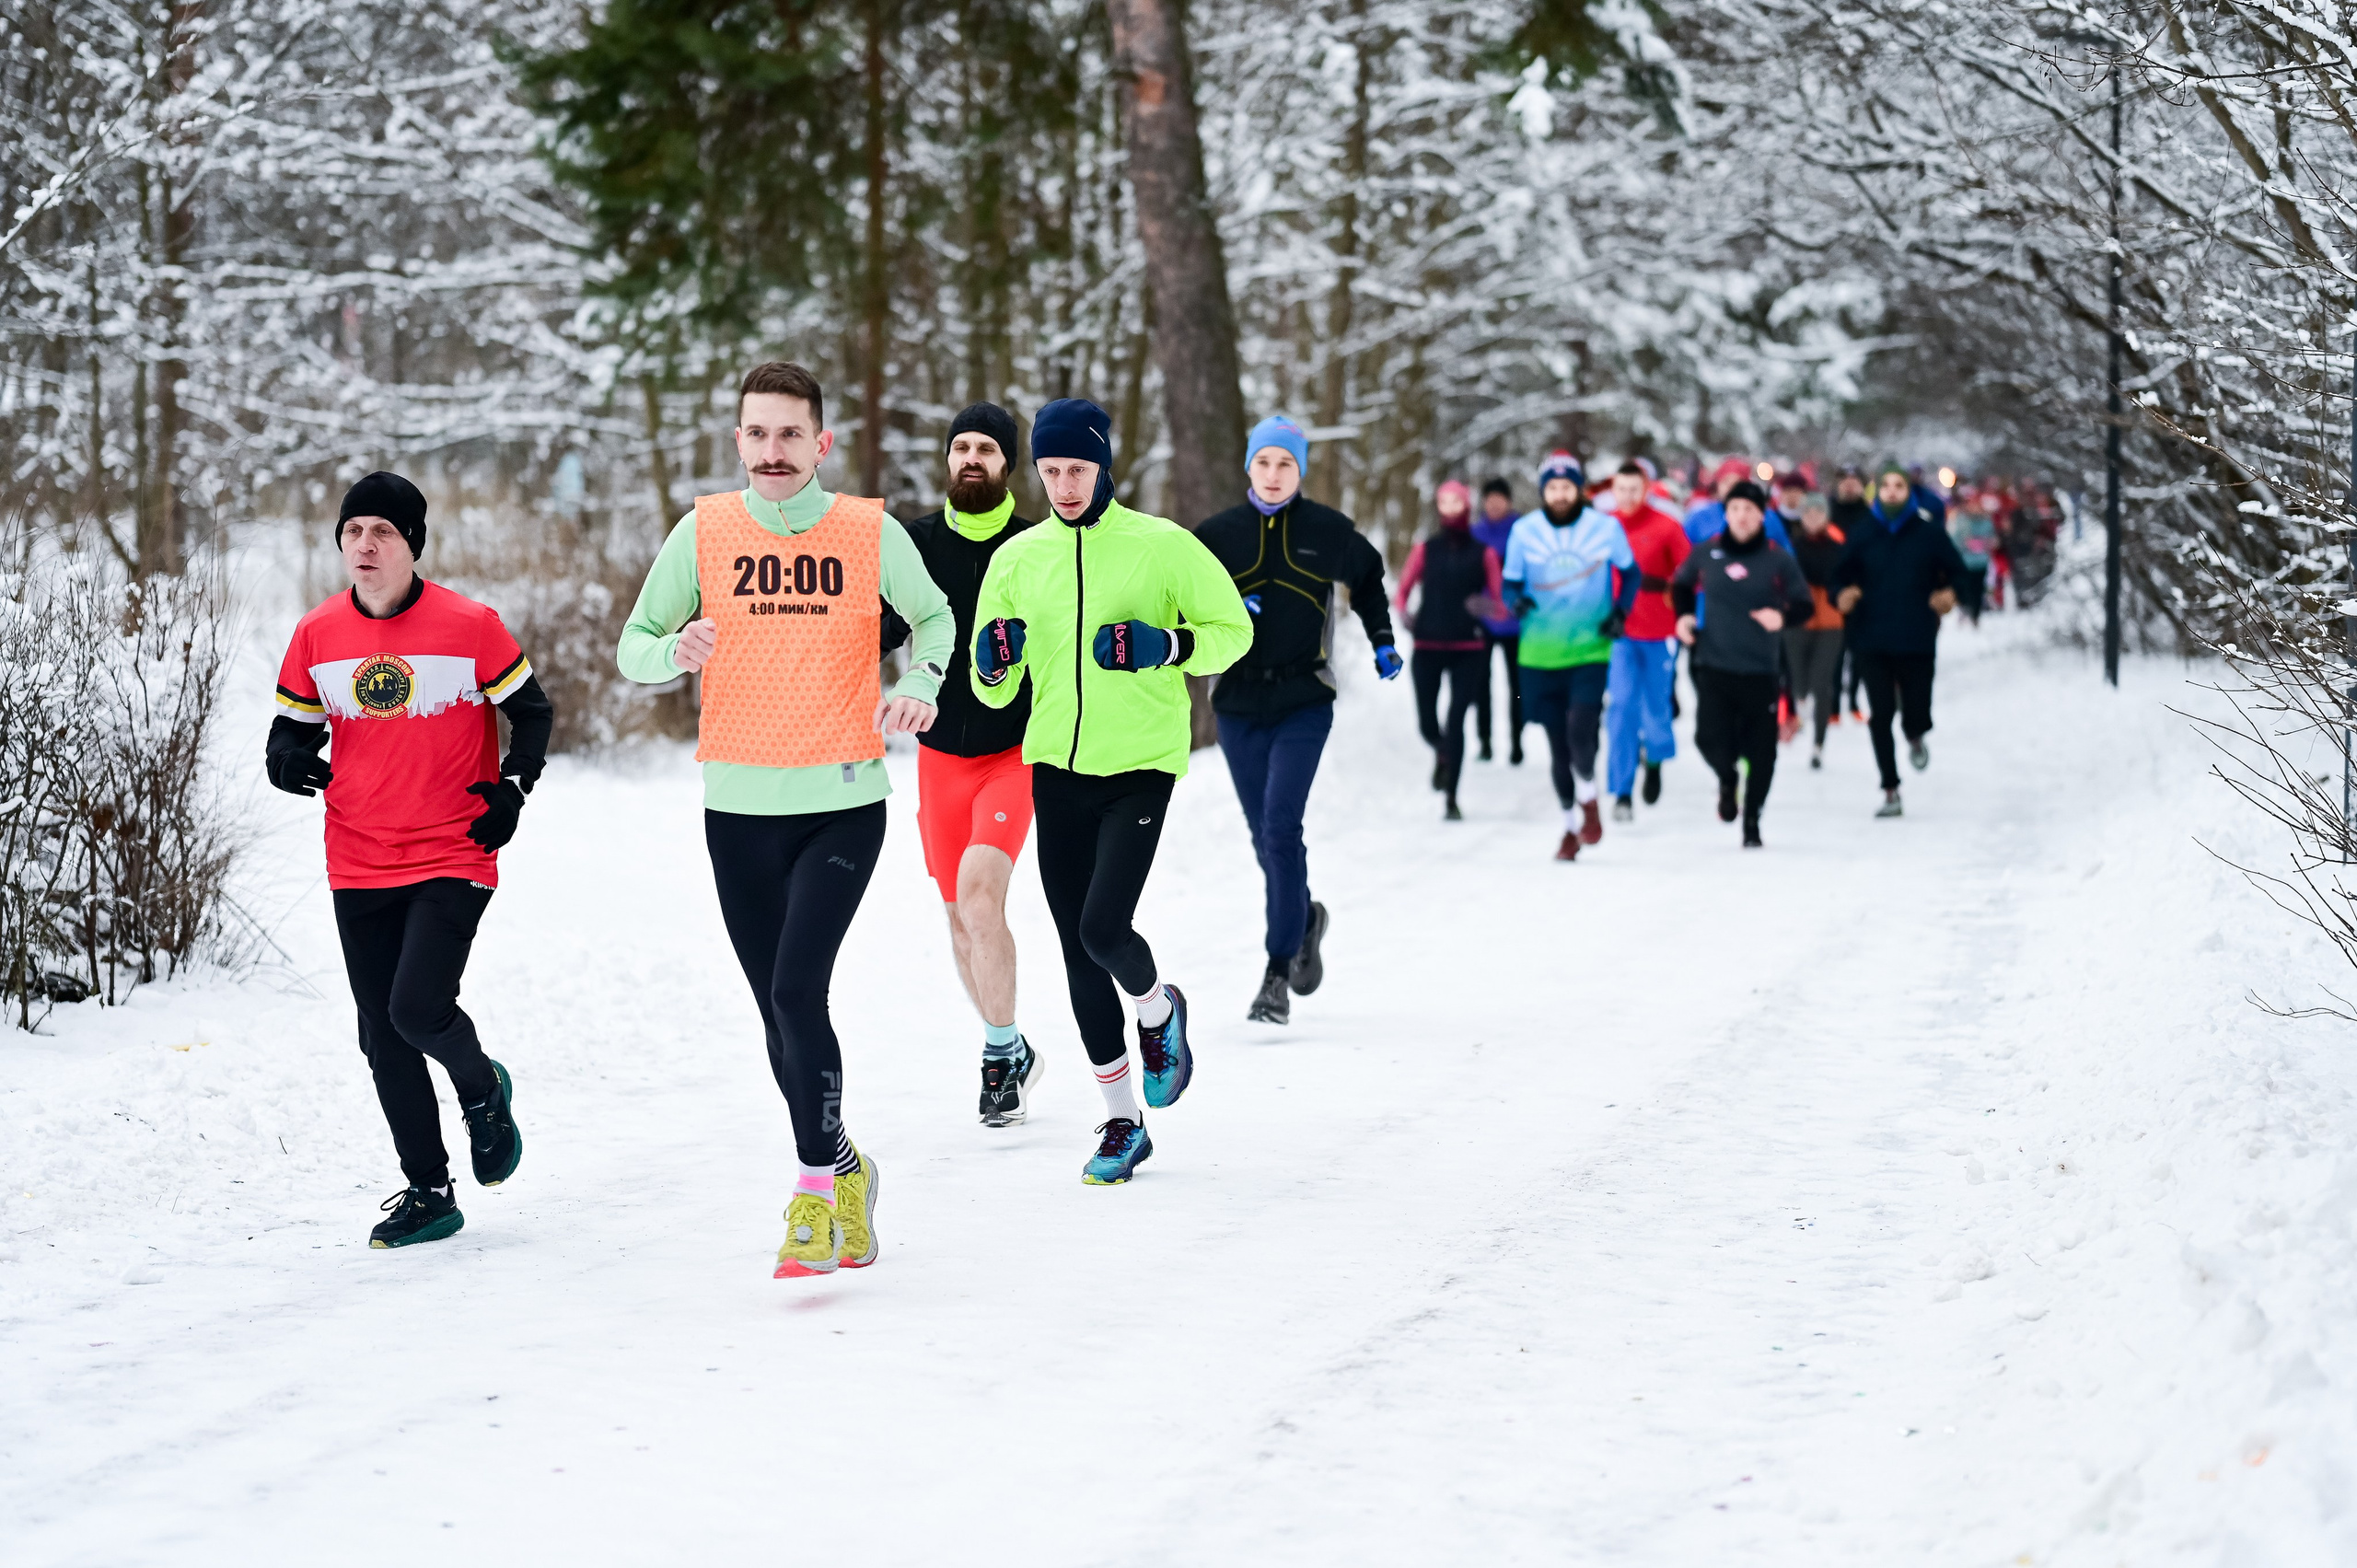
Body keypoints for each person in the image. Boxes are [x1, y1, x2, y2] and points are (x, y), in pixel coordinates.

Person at [617, 361, 955, 1279]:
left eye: (790, 434)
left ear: (821, 443)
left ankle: (811, 1198)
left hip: (841, 803)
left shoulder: (868, 530)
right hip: (737, 807)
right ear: (739, 441)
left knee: (799, 992)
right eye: (758, 433)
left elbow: (934, 619)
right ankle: (846, 1166)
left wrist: (922, 683)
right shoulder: (704, 531)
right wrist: (674, 648)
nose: (773, 451)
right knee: (777, 1008)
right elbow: (633, 647)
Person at [268, 472, 553, 1249]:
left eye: (383, 531)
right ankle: (429, 1191)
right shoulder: (317, 633)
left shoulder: (470, 625)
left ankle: (481, 1088)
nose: (365, 544)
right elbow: (289, 731)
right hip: (357, 854)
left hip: (455, 846)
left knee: (416, 1008)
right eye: (353, 530)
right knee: (383, 1034)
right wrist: (287, 761)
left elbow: (531, 711)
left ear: (413, 544)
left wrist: (513, 787)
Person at [970, 398, 1251, 1183]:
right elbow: (992, 689)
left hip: (1140, 766)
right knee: (1077, 950)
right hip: (1056, 768)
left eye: (1078, 469)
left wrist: (1167, 645)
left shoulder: (1162, 545)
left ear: (1105, 467)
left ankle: (1158, 1010)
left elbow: (1233, 631)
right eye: (1051, 470)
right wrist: (993, 662)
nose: (1064, 486)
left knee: (1101, 928)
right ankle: (1123, 1121)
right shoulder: (1017, 559)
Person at [1196, 413, 1399, 1026]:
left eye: (1286, 463)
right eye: (1264, 461)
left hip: (1304, 698)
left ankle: (1277, 972)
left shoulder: (1326, 530)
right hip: (1236, 703)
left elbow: (1368, 579)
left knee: (1282, 828)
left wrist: (1383, 639)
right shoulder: (1216, 536)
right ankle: (1303, 916)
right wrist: (1221, 610)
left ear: (1300, 470)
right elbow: (1177, 596)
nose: (1274, 473)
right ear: (1249, 466)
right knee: (1263, 834)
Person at [883, 402, 1045, 1124]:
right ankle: (1011, 1045)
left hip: (1014, 753)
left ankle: (998, 1057)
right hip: (939, 756)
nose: (971, 458)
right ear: (948, 459)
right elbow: (880, 627)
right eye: (961, 448)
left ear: (1007, 463)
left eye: (986, 448)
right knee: (957, 919)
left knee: (981, 900)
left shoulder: (1036, 545)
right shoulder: (914, 544)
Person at [1503, 450, 1636, 861]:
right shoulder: (1524, 531)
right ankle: (1568, 827)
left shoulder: (1605, 528)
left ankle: (1590, 798)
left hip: (1590, 648)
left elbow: (1631, 573)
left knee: (1581, 730)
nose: (1560, 494)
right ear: (1543, 492)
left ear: (1579, 490)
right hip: (1539, 655)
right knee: (1558, 744)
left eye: (1567, 487)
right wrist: (1515, 603)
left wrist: (1620, 612)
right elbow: (1510, 583)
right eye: (1553, 488)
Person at [1671, 480, 1815, 848]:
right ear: (1726, 514)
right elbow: (1681, 584)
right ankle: (1727, 777)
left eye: (1750, 510)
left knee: (1762, 751)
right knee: (1708, 739)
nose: (1742, 516)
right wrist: (1684, 617)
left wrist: (1782, 616)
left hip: (1761, 668)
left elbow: (1804, 604)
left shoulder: (1777, 558)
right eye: (1735, 509)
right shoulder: (1708, 551)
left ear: (1762, 515)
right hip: (1714, 663)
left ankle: (1752, 820)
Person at [1832, 462, 1968, 819]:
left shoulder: (1928, 532)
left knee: (1916, 709)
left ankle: (1915, 733)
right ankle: (1890, 788)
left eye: (1899, 486)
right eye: (1886, 486)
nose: (1892, 492)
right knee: (1880, 715)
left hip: (1916, 635)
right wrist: (1842, 594)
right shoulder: (1863, 533)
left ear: (1909, 492)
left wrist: (1950, 594)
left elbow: (1959, 572)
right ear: (1876, 491)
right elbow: (1838, 576)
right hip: (1871, 637)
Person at [1395, 479, 1499, 824]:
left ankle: (1452, 797)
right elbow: (1402, 591)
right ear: (1438, 507)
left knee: (1456, 722)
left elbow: (1501, 604)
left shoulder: (1483, 553)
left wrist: (1486, 606)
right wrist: (1405, 614)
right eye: (1445, 502)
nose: (1451, 508)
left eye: (1457, 501)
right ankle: (1442, 752)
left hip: (1469, 648)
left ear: (1467, 506)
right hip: (1427, 644)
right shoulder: (1426, 549)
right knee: (1428, 725)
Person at [1600, 460, 1689, 820]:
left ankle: (1654, 758)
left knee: (1655, 706)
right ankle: (1622, 792)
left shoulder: (1667, 526)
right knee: (1621, 707)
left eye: (1634, 489)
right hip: (1619, 633)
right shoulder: (1603, 526)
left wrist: (1685, 608)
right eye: (1621, 489)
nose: (1627, 496)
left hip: (1658, 631)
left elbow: (1690, 574)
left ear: (1646, 490)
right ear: (1613, 490)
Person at [1782, 492, 1849, 769]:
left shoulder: (1838, 547)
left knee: (1822, 683)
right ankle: (1799, 707)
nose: (1812, 518)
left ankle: (1819, 744)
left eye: (1818, 513)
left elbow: (1843, 576)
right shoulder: (1791, 547)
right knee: (1798, 680)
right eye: (1808, 513)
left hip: (1830, 621)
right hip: (1798, 620)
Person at [1470, 477, 1523, 763]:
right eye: (1489, 499)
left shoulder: (1523, 531)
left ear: (1509, 501)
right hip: (1484, 620)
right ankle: (1485, 742)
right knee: (1482, 683)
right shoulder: (1474, 533)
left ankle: (1517, 742)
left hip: (1517, 622)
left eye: (1499, 499)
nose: (1494, 504)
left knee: (1517, 687)